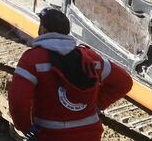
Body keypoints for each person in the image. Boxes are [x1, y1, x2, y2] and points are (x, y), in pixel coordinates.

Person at [8, 8, 132, 140]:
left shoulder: (32, 60)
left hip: (50, 135)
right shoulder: (90, 57)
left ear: (43, 30)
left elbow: (18, 100)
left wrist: (24, 125)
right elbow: (124, 82)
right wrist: (97, 103)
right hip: (89, 135)